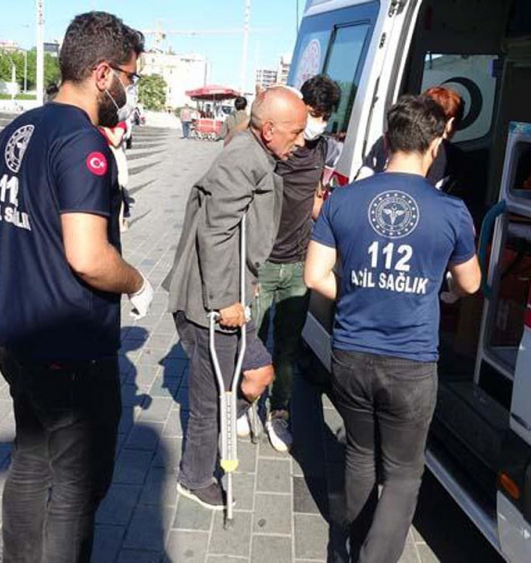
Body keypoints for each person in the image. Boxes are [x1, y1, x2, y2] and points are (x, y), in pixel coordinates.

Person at [0, 12, 153, 562]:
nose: (130, 88)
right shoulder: (85, 145)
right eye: (131, 76)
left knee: (31, 464)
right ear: (103, 73)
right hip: (69, 346)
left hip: (15, 334)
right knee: (77, 489)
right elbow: (88, 257)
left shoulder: (19, 128)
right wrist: (136, 281)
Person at [304, 95, 482, 563]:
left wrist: (362, 293)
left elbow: (314, 276)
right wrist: (431, 290)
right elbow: (471, 283)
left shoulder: (343, 199)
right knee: (403, 471)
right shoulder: (452, 211)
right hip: (412, 362)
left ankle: (350, 544)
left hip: (351, 355)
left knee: (360, 453)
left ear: (387, 141)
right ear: (436, 144)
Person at [164, 86, 307, 509]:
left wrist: (248, 280)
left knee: (257, 373)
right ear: (269, 130)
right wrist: (227, 297)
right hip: (209, 303)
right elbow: (217, 230)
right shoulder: (244, 157)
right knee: (211, 398)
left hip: (229, 292)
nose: (300, 140)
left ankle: (228, 418)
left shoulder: (256, 152)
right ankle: (194, 476)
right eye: (295, 132)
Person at [248, 75, 341, 451]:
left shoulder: (323, 150)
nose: (318, 122)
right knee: (252, 340)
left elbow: (313, 201)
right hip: (264, 261)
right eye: (313, 113)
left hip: (298, 264)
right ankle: (243, 402)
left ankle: (279, 412)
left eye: (324, 115)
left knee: (287, 346)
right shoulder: (275, 147)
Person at [101, 120, 133, 232]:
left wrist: (104, 127)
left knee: (117, 192)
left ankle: (120, 224)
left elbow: (115, 141)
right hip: (102, 155)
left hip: (115, 156)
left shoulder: (120, 124)